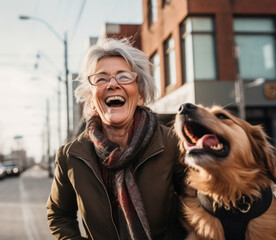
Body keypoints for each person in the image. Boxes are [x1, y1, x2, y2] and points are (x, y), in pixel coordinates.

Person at [46, 38, 186, 240]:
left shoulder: (172, 143)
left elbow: (197, 203)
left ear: (140, 96)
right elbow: (59, 215)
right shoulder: (71, 156)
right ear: (92, 101)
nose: (112, 84)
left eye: (124, 76)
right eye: (101, 79)